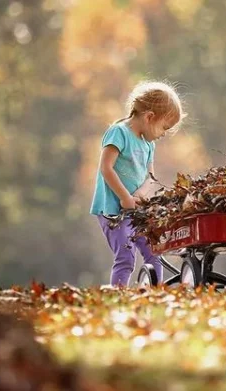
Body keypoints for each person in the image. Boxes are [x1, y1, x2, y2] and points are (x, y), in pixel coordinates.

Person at [90, 81, 185, 286]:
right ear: (150, 117)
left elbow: (149, 178)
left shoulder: (148, 144)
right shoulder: (119, 132)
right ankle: (119, 293)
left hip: (136, 210)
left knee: (154, 251)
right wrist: (125, 197)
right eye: (164, 128)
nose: (163, 134)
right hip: (113, 210)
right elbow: (106, 168)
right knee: (126, 256)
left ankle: (155, 291)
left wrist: (143, 199)